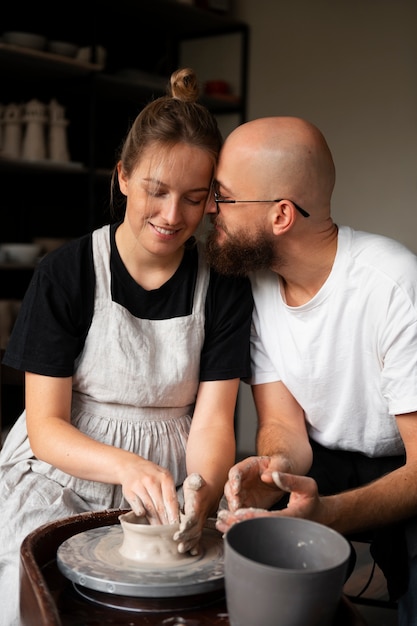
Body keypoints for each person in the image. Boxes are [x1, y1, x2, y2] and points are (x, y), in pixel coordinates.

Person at [0, 67, 253, 626]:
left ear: (212, 198)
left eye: (193, 198)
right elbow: (46, 427)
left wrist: (201, 494)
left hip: (172, 472)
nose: (171, 216)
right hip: (64, 465)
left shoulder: (224, 286)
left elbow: (213, 420)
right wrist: (124, 467)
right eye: (155, 191)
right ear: (122, 176)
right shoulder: (67, 273)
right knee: (30, 589)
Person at [206, 115, 417, 624]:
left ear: (281, 215)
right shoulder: (257, 287)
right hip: (324, 457)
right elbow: (283, 426)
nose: (211, 209)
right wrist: (273, 472)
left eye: (225, 197)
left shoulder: (393, 286)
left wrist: (331, 516)